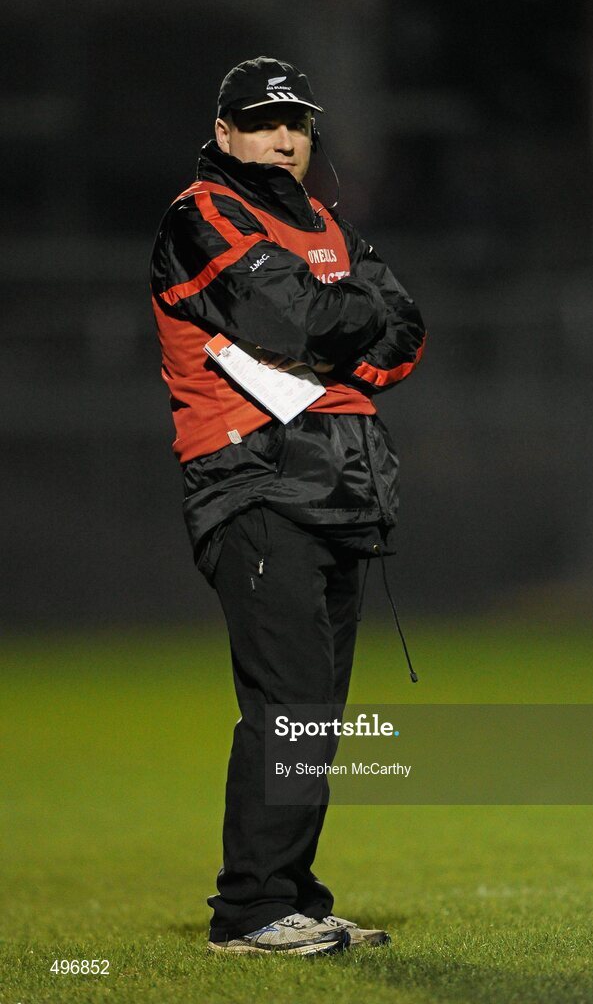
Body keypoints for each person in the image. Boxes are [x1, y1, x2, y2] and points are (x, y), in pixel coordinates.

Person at [150, 56, 426, 956]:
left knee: (314, 708)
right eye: (262, 122)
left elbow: (402, 333)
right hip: (254, 480)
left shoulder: (322, 223)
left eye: (295, 125)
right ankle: (251, 910)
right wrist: (332, 319)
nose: (283, 138)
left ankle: (291, 895)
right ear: (223, 133)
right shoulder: (199, 215)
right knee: (289, 700)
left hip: (338, 482)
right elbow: (291, 323)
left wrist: (327, 319)